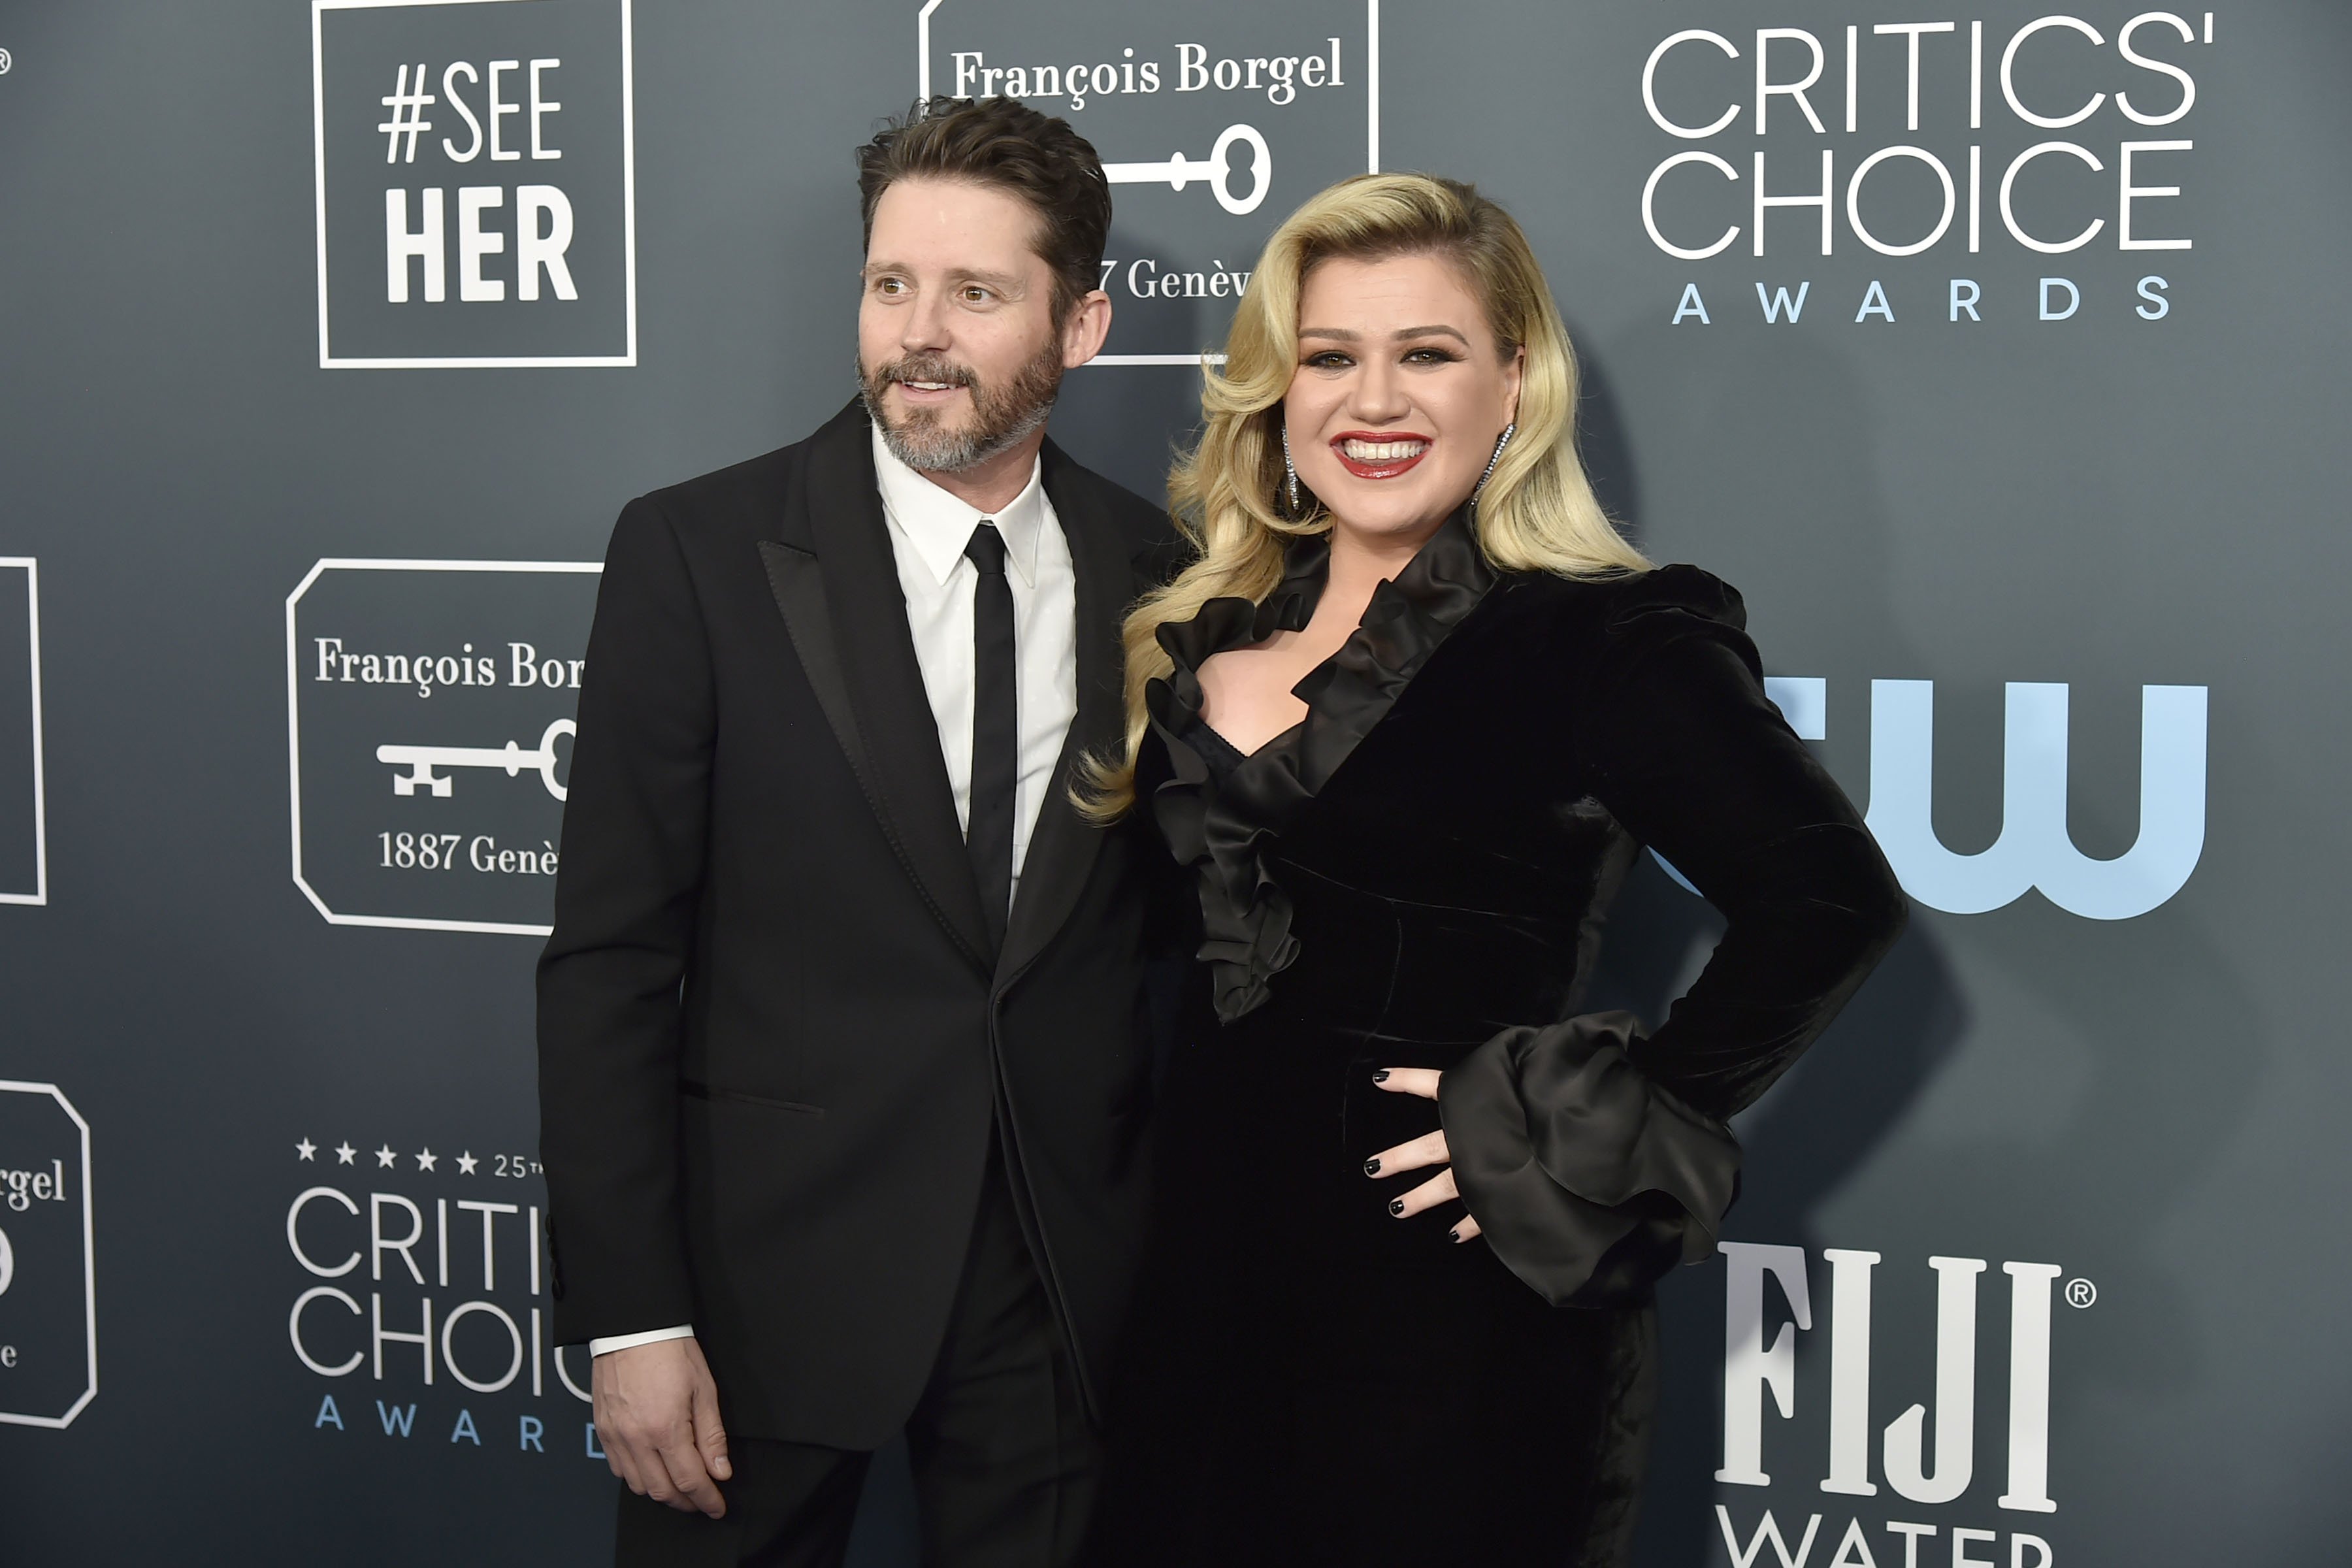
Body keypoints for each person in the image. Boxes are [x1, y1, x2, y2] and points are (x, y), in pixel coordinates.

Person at [1082, 173, 1910, 1565]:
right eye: (1332, 358)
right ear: (1281, 395)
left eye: (1429, 353)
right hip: (1196, 1317)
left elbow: (1829, 898)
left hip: (1453, 1339)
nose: (1374, 401)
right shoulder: (1195, 645)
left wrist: (1580, 1120)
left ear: (1515, 382)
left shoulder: (1601, 643)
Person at [536, 96, 1173, 1567]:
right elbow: (610, 962)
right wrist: (633, 1315)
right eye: (891, 283)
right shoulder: (695, 553)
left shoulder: (1165, 571)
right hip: (760, 1290)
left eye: (977, 291)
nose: (919, 334)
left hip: (1059, 1293)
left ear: (1081, 327)